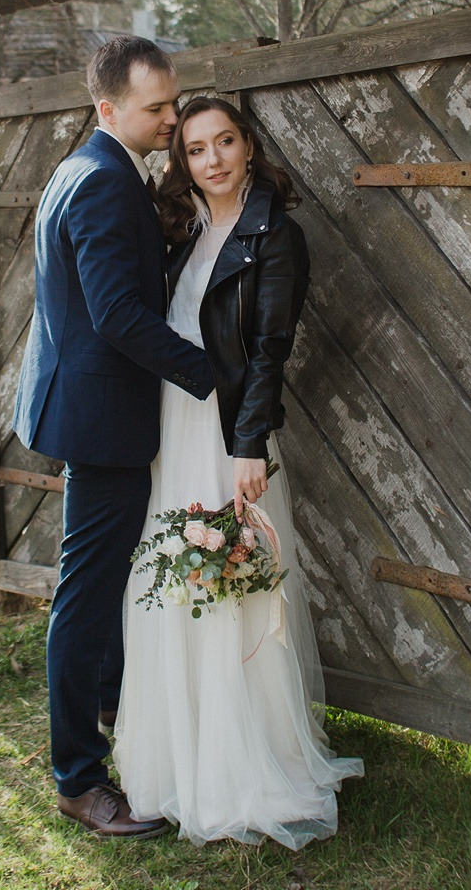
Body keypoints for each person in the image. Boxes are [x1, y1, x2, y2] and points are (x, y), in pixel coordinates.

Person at [112, 94, 362, 848]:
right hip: (170, 428)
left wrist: (249, 444)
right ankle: (178, 761)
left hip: (227, 435)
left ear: (249, 147)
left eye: (225, 142)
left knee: (226, 586)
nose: (213, 159)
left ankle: (239, 765)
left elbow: (268, 351)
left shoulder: (276, 238)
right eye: (196, 148)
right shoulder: (180, 230)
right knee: (168, 583)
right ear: (179, 161)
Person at [13, 37, 214, 839]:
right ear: (108, 109)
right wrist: (211, 375)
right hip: (101, 419)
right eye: (156, 109)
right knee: (86, 596)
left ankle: (113, 708)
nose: (171, 120)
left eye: (173, 104)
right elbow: (118, 315)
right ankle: (78, 780)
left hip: (85, 404)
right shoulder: (100, 182)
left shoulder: (90, 169)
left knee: (98, 584)